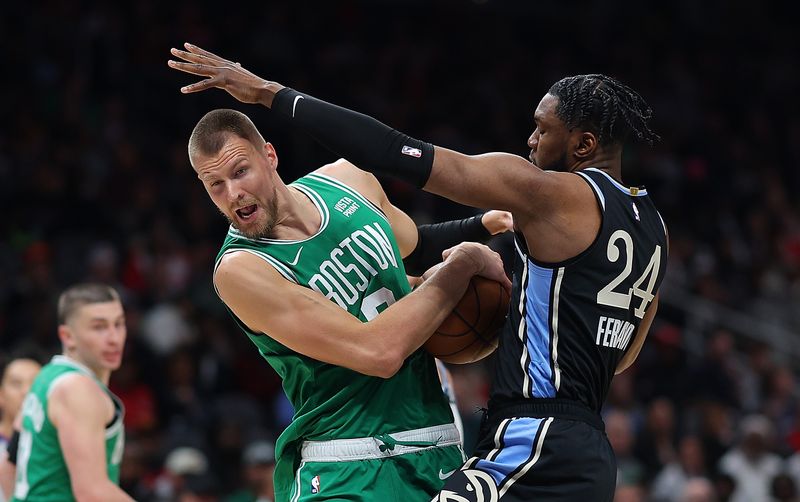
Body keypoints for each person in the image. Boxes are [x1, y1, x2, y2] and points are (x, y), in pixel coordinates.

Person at [168, 43, 669, 501]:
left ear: (582, 145)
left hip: (529, 440)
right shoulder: (654, 230)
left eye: (543, 130)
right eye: (215, 186)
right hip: (577, 452)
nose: (531, 140)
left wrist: (267, 93)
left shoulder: (545, 191)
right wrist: (479, 234)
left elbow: (393, 151)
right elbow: (620, 356)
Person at [171, 103, 509, 502]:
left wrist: (484, 226)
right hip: (346, 466)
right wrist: (465, 263)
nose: (233, 194)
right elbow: (378, 351)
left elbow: (412, 254)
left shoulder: (349, 179)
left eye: (240, 171)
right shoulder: (241, 269)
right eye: (216, 185)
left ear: (269, 155)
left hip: (435, 445)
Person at [0, 283, 132, 502]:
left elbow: (8, 465)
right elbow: (91, 493)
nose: (114, 338)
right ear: (67, 336)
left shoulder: (45, 377)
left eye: (119, 324)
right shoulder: (77, 389)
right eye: (99, 327)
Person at [0, 353, 43, 502]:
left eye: (35, 384)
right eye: (16, 384)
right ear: (1, 395)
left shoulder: (51, 449)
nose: (26, 392)